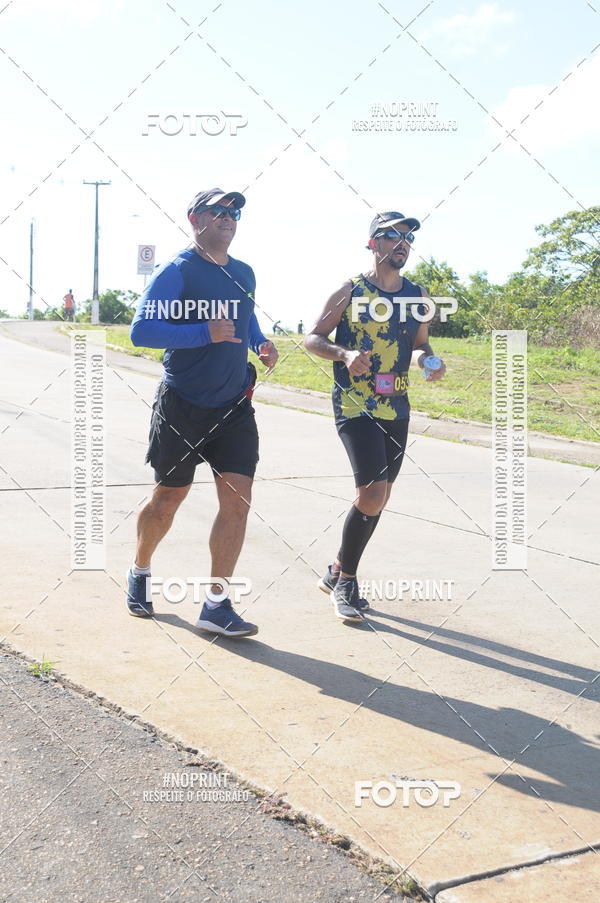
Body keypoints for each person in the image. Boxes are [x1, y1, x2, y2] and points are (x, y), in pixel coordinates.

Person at [126, 188, 278, 636]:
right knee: (169, 499)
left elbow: (243, 319)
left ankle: (216, 604)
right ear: (196, 219)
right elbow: (141, 332)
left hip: (234, 405)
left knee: (237, 502)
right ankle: (140, 568)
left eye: (234, 212)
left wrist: (259, 342)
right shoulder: (176, 272)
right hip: (183, 406)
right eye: (218, 211)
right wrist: (202, 332)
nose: (228, 218)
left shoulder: (244, 273)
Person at [304, 210, 446, 621]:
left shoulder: (417, 295)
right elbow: (313, 337)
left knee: (380, 495)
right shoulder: (350, 290)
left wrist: (428, 361)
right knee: (371, 491)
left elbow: (421, 345)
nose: (402, 243)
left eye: (407, 238)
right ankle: (347, 581)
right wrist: (344, 354)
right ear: (373, 243)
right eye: (392, 236)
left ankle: (335, 571)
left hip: (396, 404)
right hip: (355, 403)